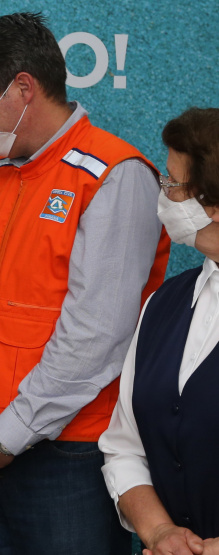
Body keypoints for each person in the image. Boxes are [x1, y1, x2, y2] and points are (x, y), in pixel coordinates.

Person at [0, 12, 172, 554]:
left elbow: (98, 333)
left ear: (23, 89)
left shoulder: (114, 174)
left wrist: (8, 435)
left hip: (69, 453)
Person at [100, 107, 219, 555]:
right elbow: (125, 446)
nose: (162, 194)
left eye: (172, 183)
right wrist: (160, 533)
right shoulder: (163, 302)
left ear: (213, 205)